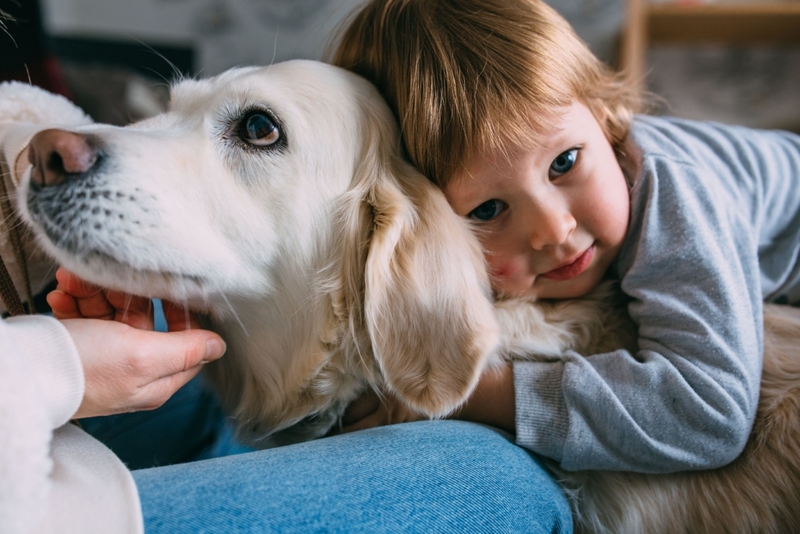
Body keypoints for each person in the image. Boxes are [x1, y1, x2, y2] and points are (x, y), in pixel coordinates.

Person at [330, 0, 800, 475]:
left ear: (603, 115)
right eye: (488, 209)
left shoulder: (674, 196)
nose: (554, 229)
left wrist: (466, 393)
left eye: (564, 162)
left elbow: (706, 414)